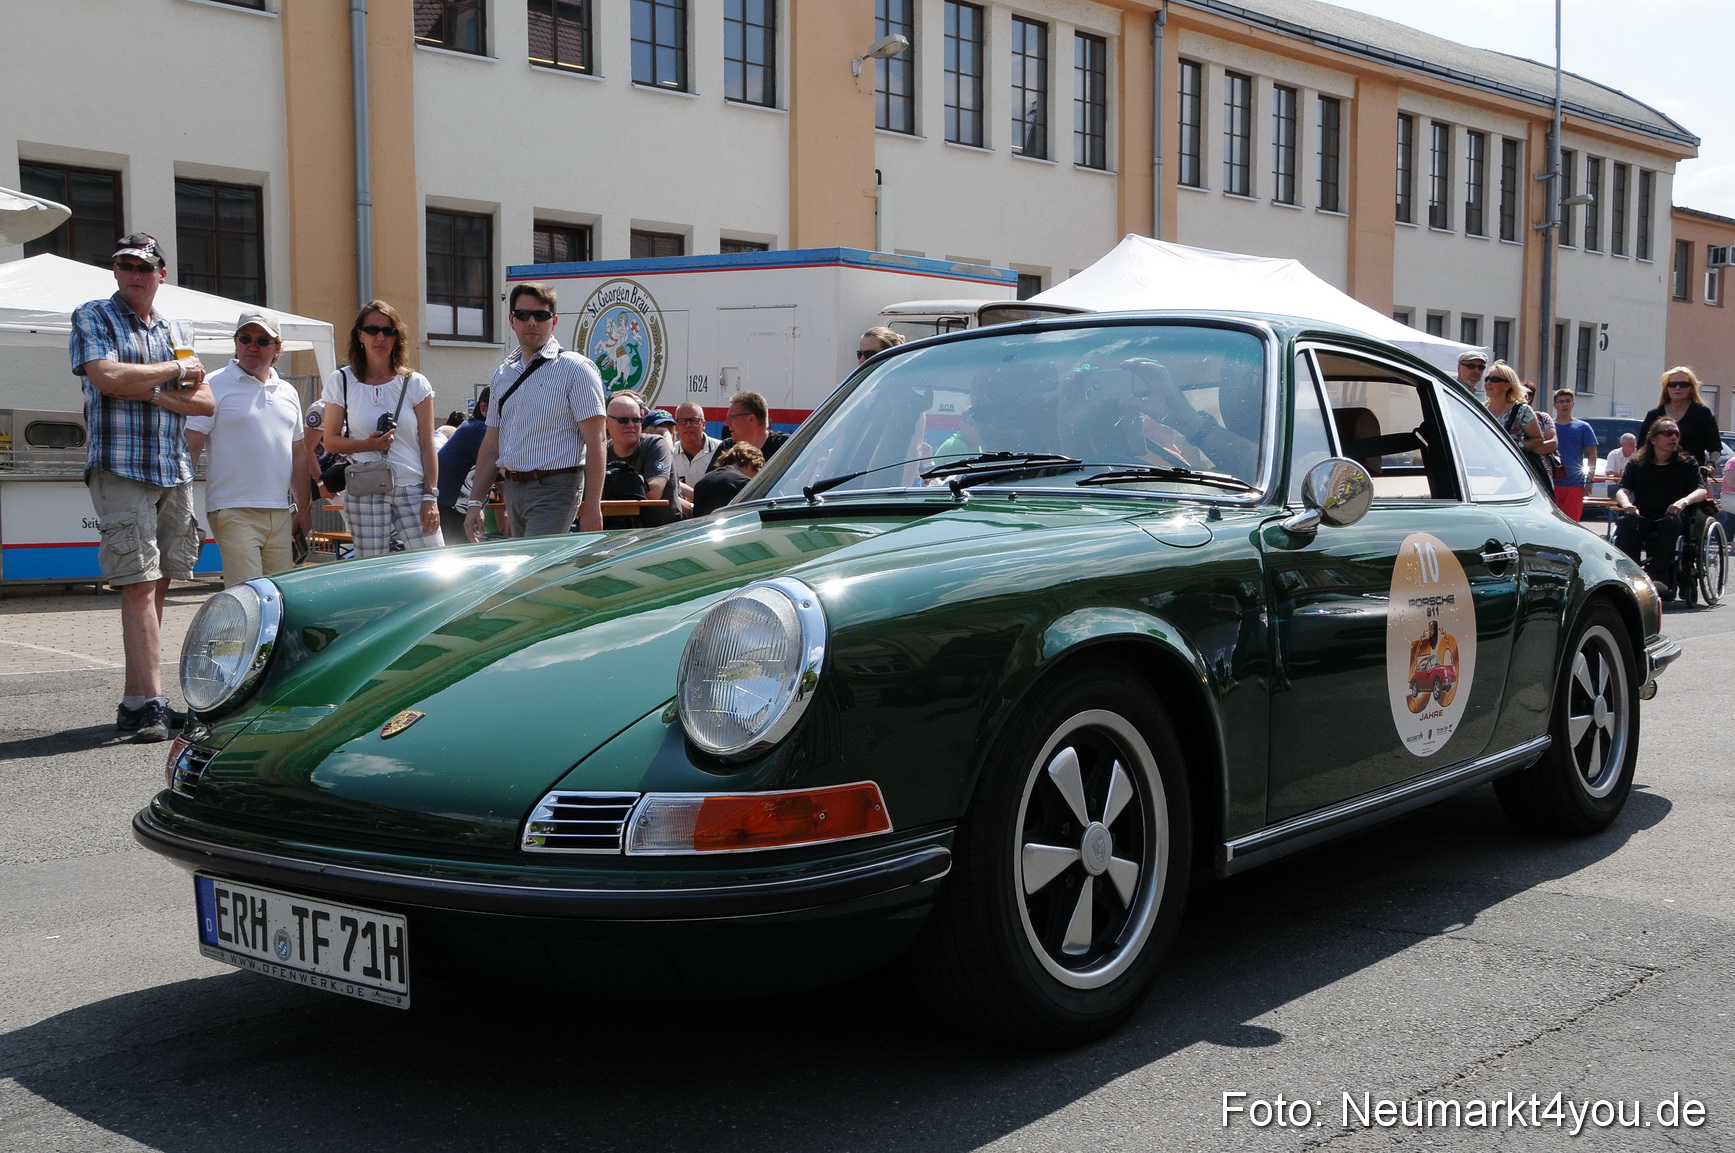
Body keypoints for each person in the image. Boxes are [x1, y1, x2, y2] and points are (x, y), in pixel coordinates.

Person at [70, 233, 215, 742]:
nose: (133, 273)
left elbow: (206, 403)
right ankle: (152, 701)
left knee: (160, 582)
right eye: (125, 265)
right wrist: (173, 375)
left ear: (161, 274)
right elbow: (106, 376)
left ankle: (138, 700)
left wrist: (147, 387)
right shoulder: (93, 315)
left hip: (172, 468)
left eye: (143, 266)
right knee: (136, 582)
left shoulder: (176, 326)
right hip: (120, 466)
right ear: (115, 271)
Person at [464, 283, 606, 540]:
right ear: (511, 320)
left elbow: (595, 442)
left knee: (535, 567)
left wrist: (593, 506)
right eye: (523, 315)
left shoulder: (576, 369)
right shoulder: (503, 373)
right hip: (513, 488)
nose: (531, 322)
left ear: (554, 321)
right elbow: (490, 446)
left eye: (540, 315)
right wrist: (475, 503)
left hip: (556, 487)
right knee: (528, 569)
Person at [183, 311, 312, 585]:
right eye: (245, 338)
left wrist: (304, 508)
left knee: (280, 596)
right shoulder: (212, 385)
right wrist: (182, 504)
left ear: (277, 348)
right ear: (236, 343)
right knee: (248, 594)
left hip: (279, 511)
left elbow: (298, 453)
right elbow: (190, 446)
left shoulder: (288, 391)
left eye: (263, 340)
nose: (252, 346)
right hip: (232, 508)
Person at [321, 300, 442, 557]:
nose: (380, 337)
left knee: (432, 563)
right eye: (373, 330)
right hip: (366, 486)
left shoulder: (415, 383)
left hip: (412, 488)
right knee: (371, 571)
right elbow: (330, 441)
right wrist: (369, 444)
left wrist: (431, 496)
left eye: (388, 330)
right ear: (360, 335)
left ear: (397, 337)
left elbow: (427, 444)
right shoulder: (342, 380)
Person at [1613, 419, 1708, 599]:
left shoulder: (1687, 463)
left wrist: (1683, 502)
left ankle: (1659, 576)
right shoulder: (1637, 463)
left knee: (1669, 522)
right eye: (1667, 433)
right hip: (1645, 516)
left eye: (1676, 434)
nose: (1673, 437)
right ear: (1653, 439)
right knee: (1626, 522)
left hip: (1674, 518)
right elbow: (1622, 490)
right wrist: (1626, 505)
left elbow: (1701, 490)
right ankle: (1630, 576)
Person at [602, 393, 677, 528]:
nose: (630, 425)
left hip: (659, 533)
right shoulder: (602, 451)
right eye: (623, 420)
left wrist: (610, 484)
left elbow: (654, 491)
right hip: (615, 532)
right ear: (607, 422)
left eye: (636, 420)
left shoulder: (655, 444)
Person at [1481, 361, 1554, 492]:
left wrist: (1516, 445)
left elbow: (1538, 440)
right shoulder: (1479, 409)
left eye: (1495, 379)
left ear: (1508, 385)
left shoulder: (1521, 410)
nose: (1488, 383)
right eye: (1487, 379)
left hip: (1513, 475)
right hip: (1483, 473)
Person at [435, 387, 489, 545]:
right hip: (452, 505)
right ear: (484, 408)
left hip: (447, 502)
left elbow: (498, 478)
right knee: (459, 555)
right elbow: (505, 471)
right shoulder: (481, 429)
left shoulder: (472, 426)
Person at [1638, 367, 1721, 468]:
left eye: (1683, 384)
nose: (1677, 388)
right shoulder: (1654, 415)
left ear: (1691, 388)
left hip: (1692, 476)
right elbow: (1641, 448)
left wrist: (1711, 463)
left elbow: (1715, 446)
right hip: (1658, 474)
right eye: (1672, 384)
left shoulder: (1703, 413)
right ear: (1666, 388)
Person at [1549, 389, 1599, 520]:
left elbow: (1592, 454)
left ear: (1573, 404)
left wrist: (1590, 480)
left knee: (1571, 523)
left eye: (1568, 401)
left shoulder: (1583, 427)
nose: (1565, 405)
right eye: (1561, 401)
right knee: (1551, 522)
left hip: (1574, 484)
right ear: (1554, 405)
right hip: (1550, 484)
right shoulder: (1548, 427)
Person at [710, 391, 788, 469]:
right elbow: (712, 479)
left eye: (732, 417)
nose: (726, 423)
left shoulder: (786, 446)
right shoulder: (726, 447)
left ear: (750, 419)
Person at [670, 401, 719, 515]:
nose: (688, 425)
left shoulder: (721, 451)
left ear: (704, 424)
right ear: (676, 427)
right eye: (682, 421)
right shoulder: (669, 454)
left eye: (694, 420)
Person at [692, 443, 764, 516]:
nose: (754, 478)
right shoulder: (743, 483)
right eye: (756, 472)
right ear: (749, 465)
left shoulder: (703, 481)